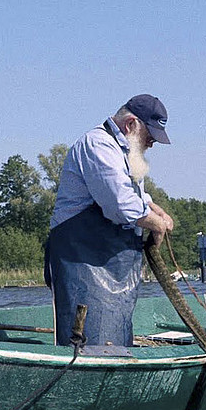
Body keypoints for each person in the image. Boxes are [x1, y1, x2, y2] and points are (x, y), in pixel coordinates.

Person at [46, 94, 175, 347]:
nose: (151, 145)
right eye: (150, 137)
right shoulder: (98, 145)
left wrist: (156, 210)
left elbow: (135, 194)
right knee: (86, 342)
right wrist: (157, 226)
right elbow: (120, 205)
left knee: (113, 339)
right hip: (82, 261)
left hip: (111, 261)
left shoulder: (125, 151)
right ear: (131, 125)